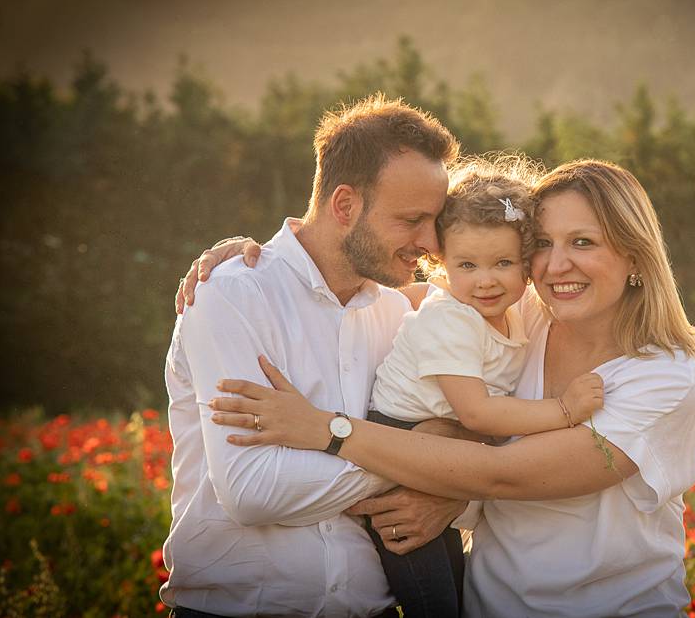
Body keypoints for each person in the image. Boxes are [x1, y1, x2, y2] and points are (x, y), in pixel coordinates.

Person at [198, 159, 695, 617]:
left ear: (637, 256)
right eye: (543, 245)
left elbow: (504, 476)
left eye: (583, 242)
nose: (556, 266)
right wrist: (262, 265)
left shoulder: (665, 378)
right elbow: (376, 288)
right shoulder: (520, 318)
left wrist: (328, 430)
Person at [161, 94, 468, 618]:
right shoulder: (232, 294)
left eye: (435, 221)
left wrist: (449, 486)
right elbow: (252, 492)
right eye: (413, 219)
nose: (431, 242)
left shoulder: (400, 315)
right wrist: (426, 458)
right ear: (344, 205)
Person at [358, 157, 604, 617]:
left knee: (456, 589)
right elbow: (476, 413)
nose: (486, 279)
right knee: (436, 603)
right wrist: (564, 411)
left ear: (527, 265)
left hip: (443, 456)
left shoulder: (511, 311)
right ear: (441, 263)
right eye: (467, 264)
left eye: (504, 263)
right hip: (397, 453)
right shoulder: (451, 318)